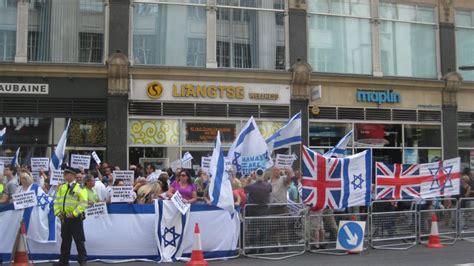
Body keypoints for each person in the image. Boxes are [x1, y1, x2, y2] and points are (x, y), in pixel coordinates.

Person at [53, 166, 88, 266]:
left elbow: (83, 203)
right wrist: (58, 213)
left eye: (66, 174)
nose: (64, 175)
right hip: (64, 218)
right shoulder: (62, 187)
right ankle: (63, 262)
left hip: (75, 219)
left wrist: (74, 213)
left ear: (72, 175)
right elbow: (57, 201)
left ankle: (82, 261)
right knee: (65, 241)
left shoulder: (80, 188)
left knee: (79, 241)